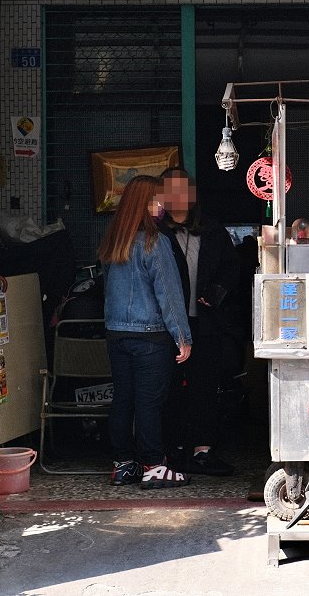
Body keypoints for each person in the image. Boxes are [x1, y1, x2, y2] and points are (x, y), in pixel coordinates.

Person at [98, 175, 193, 489]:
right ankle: (154, 465)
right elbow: (169, 294)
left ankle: (123, 465)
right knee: (149, 403)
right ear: (145, 203)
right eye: (158, 200)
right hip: (151, 335)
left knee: (123, 400)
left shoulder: (113, 241)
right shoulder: (155, 242)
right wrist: (182, 336)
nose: (163, 205)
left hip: (116, 333)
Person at [157, 167, 241, 476]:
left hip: (206, 323)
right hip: (166, 327)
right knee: (169, 390)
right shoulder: (157, 233)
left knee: (205, 388)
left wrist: (217, 290)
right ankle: (173, 450)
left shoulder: (212, 229)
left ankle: (203, 450)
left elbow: (233, 269)